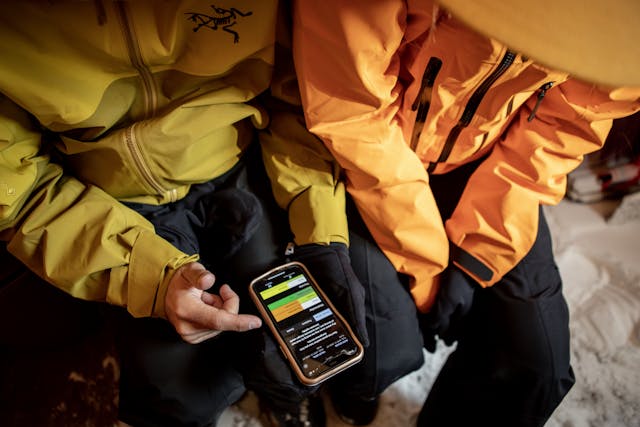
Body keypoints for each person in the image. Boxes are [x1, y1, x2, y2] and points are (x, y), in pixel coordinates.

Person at [0, 1, 424, 426]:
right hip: (107, 203)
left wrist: (320, 229)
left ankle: (291, 394)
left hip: (244, 161)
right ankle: (264, 391)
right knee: (180, 399)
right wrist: (147, 280)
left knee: (353, 343)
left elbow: (301, 97)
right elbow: (18, 195)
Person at [289, 0, 640, 426]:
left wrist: (477, 256)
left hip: (489, 165)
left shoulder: (625, 26)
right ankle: (349, 389)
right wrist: (427, 266)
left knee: (536, 364)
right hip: (363, 156)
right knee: (381, 347)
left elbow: (562, 131)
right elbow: (352, 113)